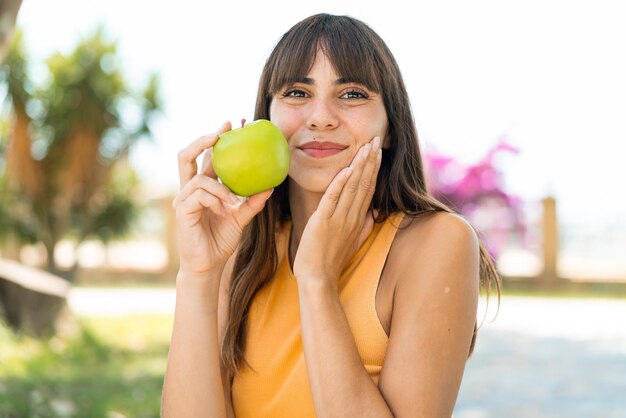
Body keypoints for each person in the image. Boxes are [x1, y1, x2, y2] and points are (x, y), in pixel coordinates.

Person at [161, 13, 500, 418]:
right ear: (266, 118)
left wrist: (317, 278)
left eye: (353, 94)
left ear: (390, 127)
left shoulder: (437, 242)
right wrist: (198, 276)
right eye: (297, 93)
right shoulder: (242, 250)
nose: (320, 117)